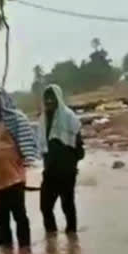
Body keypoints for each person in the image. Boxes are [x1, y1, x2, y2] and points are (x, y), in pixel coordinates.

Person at [0, 88, 39, 249]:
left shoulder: (17, 119)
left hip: (14, 177)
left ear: (4, 99)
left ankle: (25, 250)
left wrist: (27, 160)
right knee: (1, 219)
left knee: (19, 216)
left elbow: (27, 142)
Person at [38, 84, 84, 235]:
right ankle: (51, 238)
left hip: (66, 171)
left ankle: (72, 237)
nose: (49, 101)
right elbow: (42, 147)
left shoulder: (69, 117)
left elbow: (79, 148)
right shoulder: (43, 120)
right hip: (50, 170)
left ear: (58, 98)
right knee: (45, 206)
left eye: (52, 97)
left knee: (67, 205)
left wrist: (70, 164)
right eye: (47, 98)